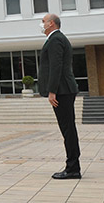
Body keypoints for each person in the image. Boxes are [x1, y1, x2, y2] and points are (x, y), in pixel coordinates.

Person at [39, 13, 81, 180]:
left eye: (43, 22)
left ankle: (72, 169)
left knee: (68, 129)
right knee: (68, 128)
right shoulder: (57, 38)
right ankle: (73, 166)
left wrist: (52, 91)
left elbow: (56, 66)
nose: (41, 24)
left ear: (51, 23)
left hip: (62, 91)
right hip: (64, 90)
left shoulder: (56, 39)